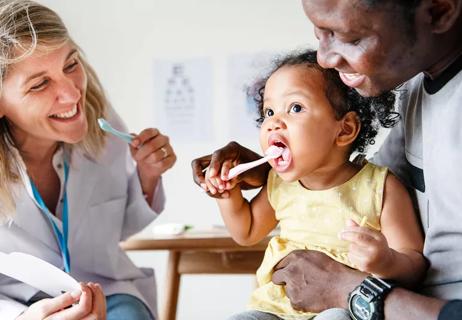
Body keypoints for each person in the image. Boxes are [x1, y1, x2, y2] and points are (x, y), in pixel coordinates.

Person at [192, 0, 462, 319]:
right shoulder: (418, 88)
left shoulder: (383, 186)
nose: (325, 58)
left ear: (439, 11)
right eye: (320, 34)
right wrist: (253, 177)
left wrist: (354, 287)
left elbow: (377, 193)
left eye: (350, 37)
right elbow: (347, 173)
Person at [202, 49, 426, 320]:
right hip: (275, 309)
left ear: (344, 130)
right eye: (269, 111)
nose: (273, 122)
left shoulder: (380, 187)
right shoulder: (280, 184)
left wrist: (386, 261)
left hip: (344, 308)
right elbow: (246, 231)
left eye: (295, 108)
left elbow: (414, 263)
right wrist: (227, 195)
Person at [0, 1, 176, 319]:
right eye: (40, 84)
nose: (72, 95)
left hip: (108, 292)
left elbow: (118, 228)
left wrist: (147, 176)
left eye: (71, 65)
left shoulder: (104, 127)